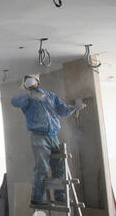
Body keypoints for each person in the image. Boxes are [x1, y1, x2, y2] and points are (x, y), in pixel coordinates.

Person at [11, 74, 86, 206]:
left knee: (58, 166)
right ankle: (37, 199)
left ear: (38, 81)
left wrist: (74, 108)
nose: (31, 82)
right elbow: (14, 101)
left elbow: (62, 110)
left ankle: (60, 196)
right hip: (38, 137)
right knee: (42, 167)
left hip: (53, 136)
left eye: (32, 79)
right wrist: (29, 94)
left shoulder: (51, 96)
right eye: (27, 81)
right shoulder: (27, 99)